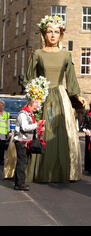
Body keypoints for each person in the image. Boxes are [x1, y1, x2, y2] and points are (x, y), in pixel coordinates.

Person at [4, 15, 85, 183]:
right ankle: (32, 170)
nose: (53, 35)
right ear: (43, 34)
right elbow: (28, 78)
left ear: (61, 34)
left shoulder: (65, 55)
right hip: (40, 98)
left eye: (56, 32)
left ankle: (60, 171)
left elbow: (71, 79)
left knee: (60, 132)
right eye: (49, 32)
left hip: (60, 98)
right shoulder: (37, 54)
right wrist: (34, 91)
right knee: (37, 131)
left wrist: (77, 96)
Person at [14, 99, 44, 191]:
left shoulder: (29, 114)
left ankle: (19, 182)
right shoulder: (23, 114)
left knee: (23, 162)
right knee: (22, 163)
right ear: (30, 106)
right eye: (35, 108)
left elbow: (30, 128)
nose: (36, 109)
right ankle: (20, 184)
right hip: (21, 141)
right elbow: (25, 127)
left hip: (26, 141)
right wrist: (37, 124)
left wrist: (39, 128)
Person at [0, 100, 10, 166]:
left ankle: (1, 160)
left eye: (2, 105)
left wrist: (8, 133)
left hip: (3, 134)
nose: (1, 107)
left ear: (3, 106)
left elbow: (8, 124)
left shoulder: (6, 114)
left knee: (2, 148)